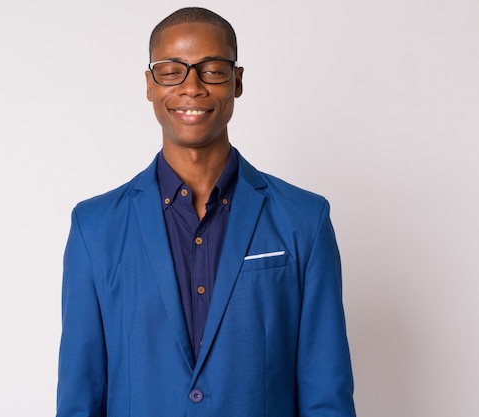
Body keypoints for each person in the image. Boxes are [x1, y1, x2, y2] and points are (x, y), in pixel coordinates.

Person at [56, 7, 356, 417]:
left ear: (237, 81)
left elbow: (328, 397)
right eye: (171, 69)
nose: (191, 87)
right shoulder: (94, 228)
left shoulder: (305, 220)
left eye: (212, 70)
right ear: (149, 85)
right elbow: (79, 398)